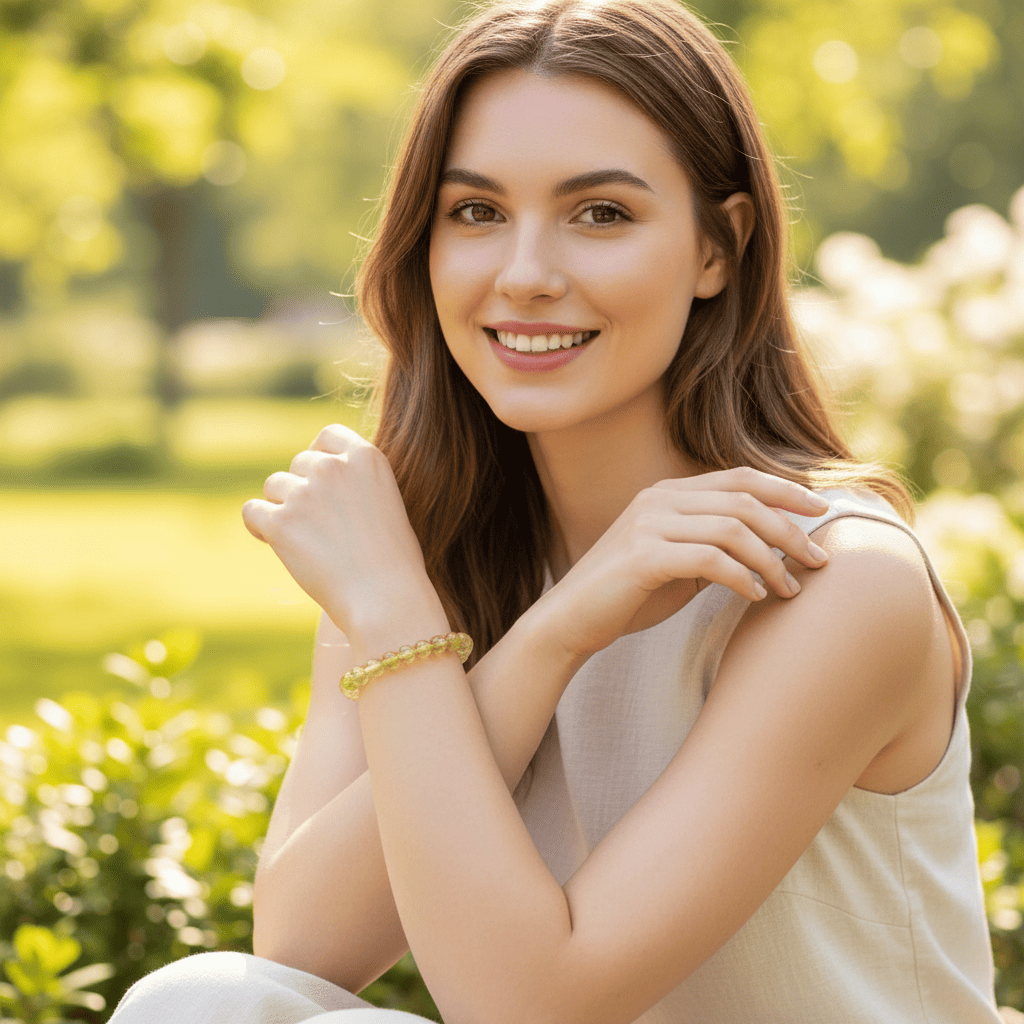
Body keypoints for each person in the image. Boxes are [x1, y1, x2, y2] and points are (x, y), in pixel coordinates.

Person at [106, 0, 1005, 1022]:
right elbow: (306, 950)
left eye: (601, 214)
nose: (525, 275)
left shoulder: (833, 579)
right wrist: (548, 635)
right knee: (204, 1003)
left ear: (719, 246)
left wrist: (405, 630)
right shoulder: (417, 555)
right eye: (476, 213)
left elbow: (533, 1004)